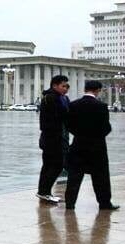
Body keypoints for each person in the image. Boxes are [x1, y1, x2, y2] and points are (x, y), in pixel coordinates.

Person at [64, 80, 118, 210]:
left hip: (78, 144)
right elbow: (106, 128)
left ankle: (70, 203)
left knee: (74, 176)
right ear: (97, 90)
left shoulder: (74, 105)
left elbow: (68, 125)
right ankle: (104, 203)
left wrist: (80, 134)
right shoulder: (101, 106)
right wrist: (96, 136)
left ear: (85, 89)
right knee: (101, 176)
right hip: (97, 146)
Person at [37, 75, 70, 204]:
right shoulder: (50, 98)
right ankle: (44, 192)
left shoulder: (63, 98)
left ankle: (43, 192)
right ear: (55, 86)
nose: (66, 88)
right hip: (52, 138)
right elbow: (59, 117)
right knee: (55, 165)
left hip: (60, 137)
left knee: (49, 166)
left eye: (67, 86)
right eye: (63, 86)